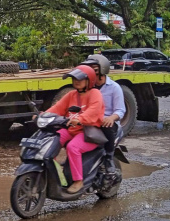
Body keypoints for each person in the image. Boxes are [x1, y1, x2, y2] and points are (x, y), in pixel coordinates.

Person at [46, 65, 105, 193]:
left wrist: (80, 119)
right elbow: (56, 108)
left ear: (89, 80)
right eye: (74, 78)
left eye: (80, 79)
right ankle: (52, 173)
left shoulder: (95, 93)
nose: (76, 81)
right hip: (71, 130)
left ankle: (78, 181)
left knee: (73, 147)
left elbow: (93, 111)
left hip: (87, 132)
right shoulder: (71, 95)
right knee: (50, 140)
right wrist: (42, 116)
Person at [81, 54, 126, 174]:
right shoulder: (87, 88)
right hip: (90, 122)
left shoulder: (114, 88)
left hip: (106, 124)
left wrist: (111, 118)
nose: (90, 74)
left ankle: (109, 157)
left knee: (107, 124)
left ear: (103, 70)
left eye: (94, 70)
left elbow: (120, 110)